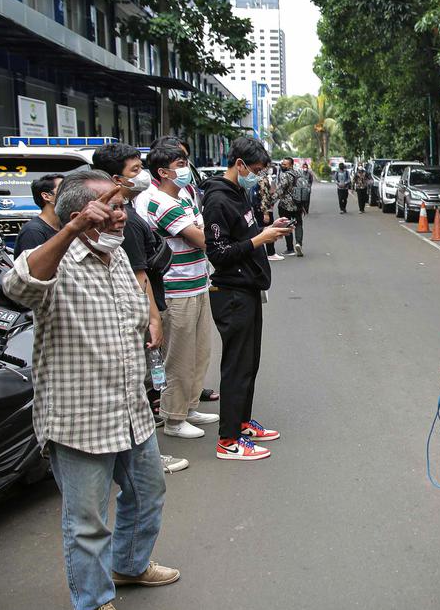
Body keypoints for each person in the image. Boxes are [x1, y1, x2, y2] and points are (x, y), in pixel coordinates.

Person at [4, 170, 179, 610]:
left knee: (147, 493)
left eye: (122, 205)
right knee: (87, 522)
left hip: (129, 409)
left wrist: (151, 317)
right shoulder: (57, 257)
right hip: (80, 419)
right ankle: (93, 602)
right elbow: (19, 288)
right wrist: (71, 230)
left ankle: (129, 566)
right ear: (82, 212)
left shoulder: (117, 253)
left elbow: (133, 304)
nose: (122, 213)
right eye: (112, 206)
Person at [91, 143, 187, 474]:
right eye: (135, 171)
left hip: (144, 308)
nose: (141, 175)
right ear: (114, 179)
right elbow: (139, 274)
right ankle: (142, 458)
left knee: (141, 384)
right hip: (139, 315)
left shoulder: (129, 213)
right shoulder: (124, 222)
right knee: (137, 387)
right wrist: (153, 318)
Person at [202, 137, 294, 461]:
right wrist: (260, 240)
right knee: (236, 367)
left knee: (249, 363)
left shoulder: (240, 193)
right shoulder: (217, 200)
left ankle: (242, 422)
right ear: (239, 164)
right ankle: (228, 441)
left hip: (249, 288)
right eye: (254, 170)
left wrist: (271, 230)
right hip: (231, 292)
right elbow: (218, 252)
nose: (257, 176)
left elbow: (245, 235)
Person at [142, 144, 218, 439]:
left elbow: (199, 229)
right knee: (179, 356)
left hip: (198, 281)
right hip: (177, 288)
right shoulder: (160, 202)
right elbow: (201, 238)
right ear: (162, 172)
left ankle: (189, 406)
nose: (186, 166)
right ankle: (173, 418)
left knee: (200, 351)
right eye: (179, 162)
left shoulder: (184, 196)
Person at [13, 173, 65, 256]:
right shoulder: (33, 231)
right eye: (64, 189)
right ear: (46, 196)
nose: (70, 193)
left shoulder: (64, 226)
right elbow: (32, 267)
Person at [276, 158, 304, 257]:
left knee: (287, 225)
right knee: (298, 224)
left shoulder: (285, 175)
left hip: (285, 205)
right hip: (298, 205)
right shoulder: (299, 173)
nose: (282, 166)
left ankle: (290, 248)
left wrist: (271, 201)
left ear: (291, 165)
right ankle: (299, 244)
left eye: (285, 164)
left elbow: (280, 191)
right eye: (282, 164)